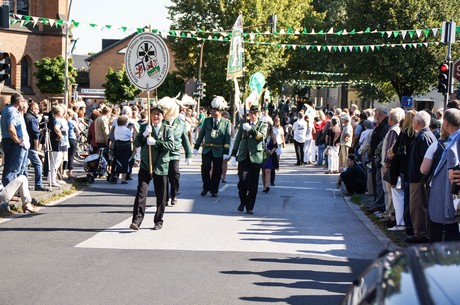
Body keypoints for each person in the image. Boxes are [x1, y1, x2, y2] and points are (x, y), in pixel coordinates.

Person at [130, 105, 175, 231]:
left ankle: (158, 221)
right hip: (145, 164)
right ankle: (137, 221)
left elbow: (171, 145)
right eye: (154, 114)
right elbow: (137, 144)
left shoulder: (167, 129)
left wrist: (156, 142)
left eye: (158, 114)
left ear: (163, 116)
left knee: (161, 195)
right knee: (141, 193)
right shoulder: (145, 127)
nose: (156, 116)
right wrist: (143, 135)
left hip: (160, 166)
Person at [423, 108, 460, 242]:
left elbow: (453, 173)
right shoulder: (453, 140)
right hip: (446, 200)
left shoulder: (456, 142)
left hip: (448, 200)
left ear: (445, 123)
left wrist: (451, 206)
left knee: (446, 238)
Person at [406, 110, 437, 243]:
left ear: (417, 122)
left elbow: (426, 160)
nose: (412, 122)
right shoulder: (427, 135)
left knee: (418, 207)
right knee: (418, 206)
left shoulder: (423, 137)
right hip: (419, 177)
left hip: (419, 179)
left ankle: (420, 234)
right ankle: (420, 232)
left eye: (413, 121)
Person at [231, 105, 268, 214]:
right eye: (251, 113)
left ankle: (250, 206)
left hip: (255, 157)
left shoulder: (262, 124)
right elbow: (238, 140)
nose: (253, 116)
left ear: (259, 114)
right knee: (242, 183)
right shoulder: (243, 124)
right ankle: (242, 202)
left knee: (253, 184)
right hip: (243, 156)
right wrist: (233, 154)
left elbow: (261, 136)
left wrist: (251, 129)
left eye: (255, 114)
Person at [193, 96, 232, 197]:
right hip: (207, 149)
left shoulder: (226, 123)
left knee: (217, 171)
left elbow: (227, 138)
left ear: (221, 111)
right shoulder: (207, 121)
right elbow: (202, 134)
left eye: (216, 110)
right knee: (205, 168)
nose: (214, 112)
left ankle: (214, 190)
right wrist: (196, 147)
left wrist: (226, 152)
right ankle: (206, 187)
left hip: (219, 149)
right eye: (213, 110)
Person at [158, 97, 193, 206]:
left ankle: (174, 195)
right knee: (164, 176)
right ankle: (165, 197)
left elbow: (185, 139)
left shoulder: (181, 123)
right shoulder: (162, 122)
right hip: (163, 152)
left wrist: (189, 154)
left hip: (174, 153)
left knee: (174, 174)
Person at [366, 105, 389, 213]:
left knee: (380, 183)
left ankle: (379, 204)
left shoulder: (385, 126)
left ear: (380, 113)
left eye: (376, 112)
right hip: (376, 157)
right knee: (377, 181)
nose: (374, 114)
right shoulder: (380, 125)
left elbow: (382, 142)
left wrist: (376, 154)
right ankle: (377, 202)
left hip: (379, 158)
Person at [1, 93, 27, 186]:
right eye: (23, 101)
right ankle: (8, 193)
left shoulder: (6, 109)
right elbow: (11, 128)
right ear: (19, 102)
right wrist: (17, 140)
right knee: (12, 169)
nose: (23, 103)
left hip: (6, 140)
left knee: (8, 167)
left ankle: (6, 191)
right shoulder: (13, 112)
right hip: (12, 142)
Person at [24, 101, 48, 191]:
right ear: (33, 109)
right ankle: (38, 184)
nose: (38, 110)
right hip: (30, 145)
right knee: (38, 164)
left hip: (25, 144)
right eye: (37, 109)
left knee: (25, 165)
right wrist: (36, 147)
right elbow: (35, 134)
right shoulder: (32, 118)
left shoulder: (25, 116)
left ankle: (24, 185)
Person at [111, 115, 133, 184]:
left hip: (117, 145)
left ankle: (115, 175)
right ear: (125, 122)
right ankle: (123, 179)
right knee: (125, 161)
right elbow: (131, 136)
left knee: (117, 159)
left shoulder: (116, 128)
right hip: (126, 146)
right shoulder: (126, 130)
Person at [262, 123, 277, 193]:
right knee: (263, 171)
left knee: (268, 170)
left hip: (270, 155)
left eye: (269, 127)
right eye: (267, 127)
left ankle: (267, 186)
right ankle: (264, 185)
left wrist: (271, 151)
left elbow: (275, 145)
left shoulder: (273, 135)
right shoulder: (262, 135)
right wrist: (265, 150)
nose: (268, 128)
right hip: (263, 154)